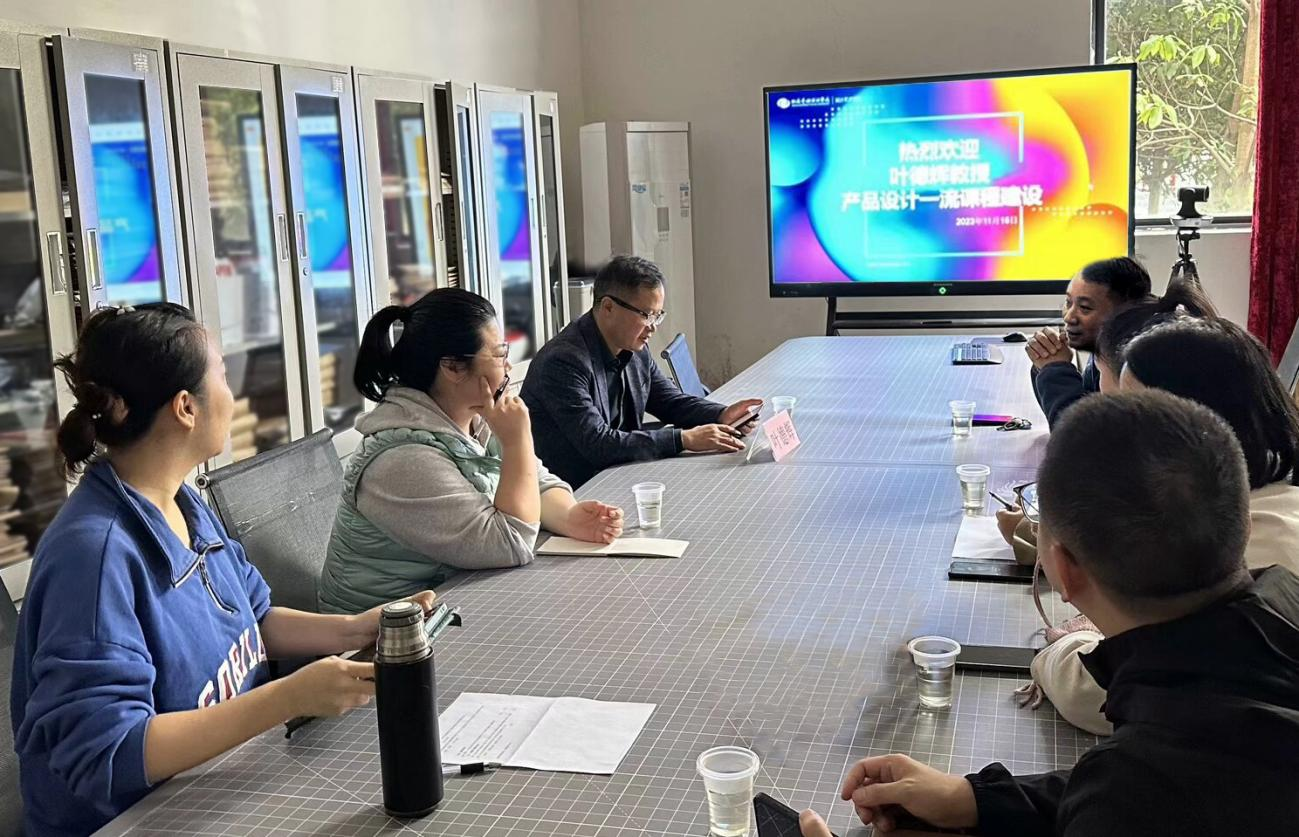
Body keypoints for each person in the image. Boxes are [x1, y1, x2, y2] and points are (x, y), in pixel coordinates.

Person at [11, 304, 435, 835]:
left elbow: (254, 620)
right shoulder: (93, 559)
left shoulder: (182, 501)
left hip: (218, 784)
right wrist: (289, 696)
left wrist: (355, 629)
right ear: (186, 407)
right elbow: (108, 753)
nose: (233, 396)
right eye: (224, 376)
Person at [800, 391, 1299, 836]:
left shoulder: (1136, 792)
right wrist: (977, 800)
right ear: (1242, 523)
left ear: (1061, 568)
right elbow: (1193, 776)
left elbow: (1142, 793)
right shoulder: (1281, 610)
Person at [1025, 316, 1299, 735]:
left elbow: (1100, 694)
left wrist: (1061, 649)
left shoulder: (1260, 547)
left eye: (1135, 413)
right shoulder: (1256, 502)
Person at [318, 289, 624, 614]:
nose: (508, 365)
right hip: (381, 631)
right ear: (452, 367)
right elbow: (510, 544)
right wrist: (518, 441)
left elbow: (535, 482)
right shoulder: (401, 460)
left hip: (452, 599)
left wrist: (568, 516)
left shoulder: (476, 417)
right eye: (499, 354)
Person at [996, 278, 1217, 566]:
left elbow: (1119, 557)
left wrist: (1027, 536)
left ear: (1130, 383)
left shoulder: (1165, 470)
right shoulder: (1184, 432)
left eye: (1099, 373)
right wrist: (1050, 369)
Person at [520, 255, 763, 487]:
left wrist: (721, 414)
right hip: (573, 491)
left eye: (658, 316)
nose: (653, 327)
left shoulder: (634, 348)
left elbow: (670, 402)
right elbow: (597, 444)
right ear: (608, 307)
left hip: (619, 475)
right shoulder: (563, 361)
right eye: (646, 315)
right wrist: (684, 439)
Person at [1026, 257, 1152, 427]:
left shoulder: (1136, 362)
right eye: (1068, 302)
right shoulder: (1103, 347)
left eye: (1085, 308)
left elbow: (1079, 434)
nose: (1069, 316)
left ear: (1123, 313)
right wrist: (1046, 364)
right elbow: (1086, 407)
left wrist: (1055, 369)